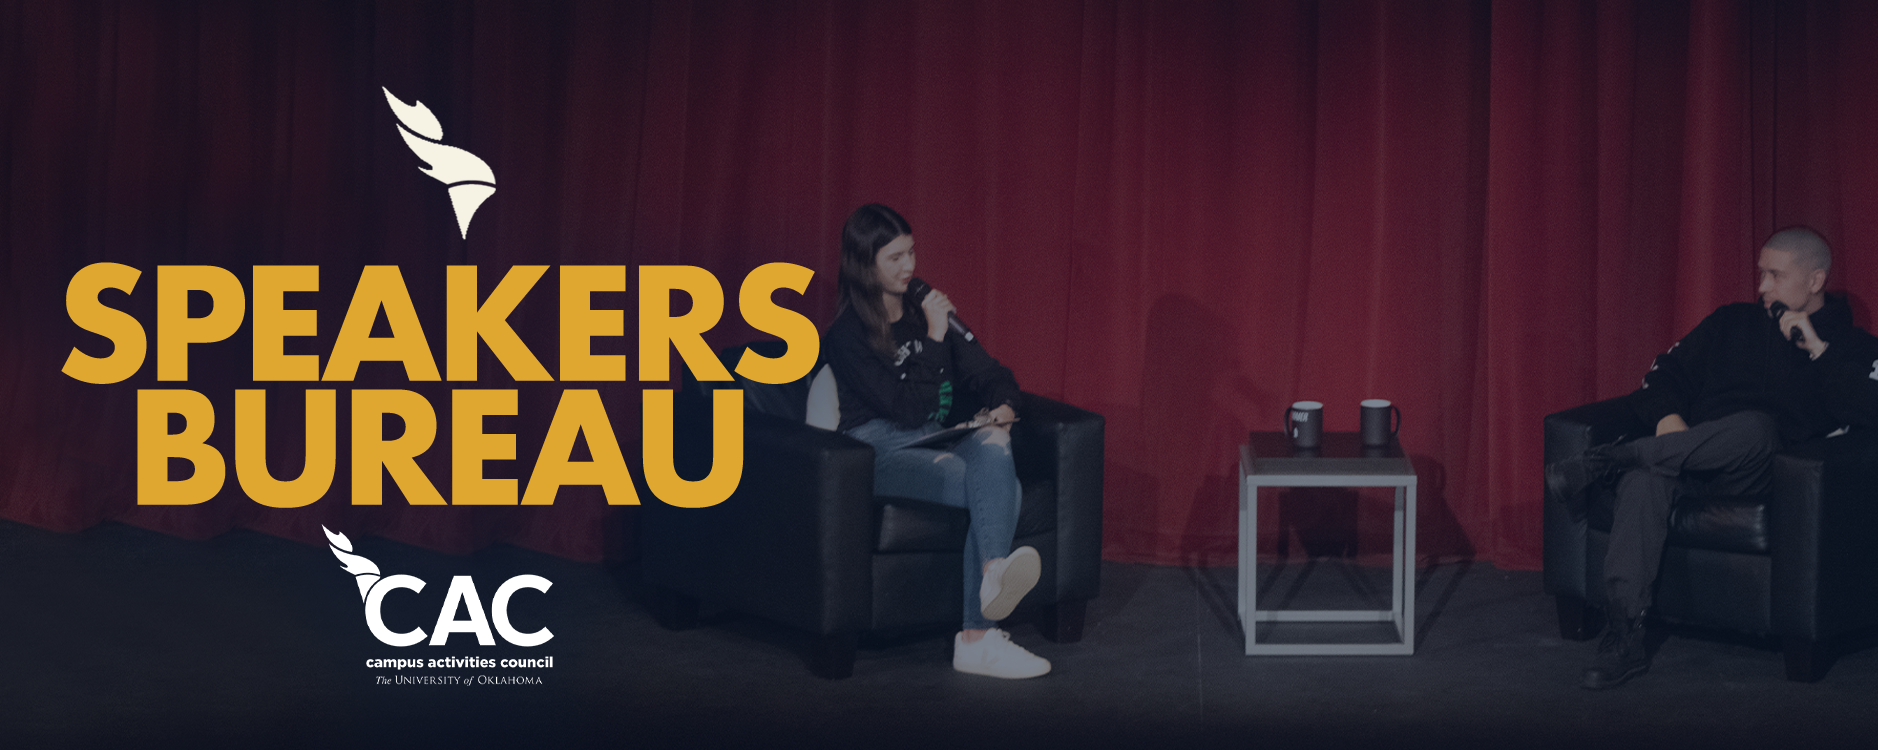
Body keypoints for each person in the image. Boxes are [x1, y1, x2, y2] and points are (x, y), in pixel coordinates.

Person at [1547, 227, 1878, 690]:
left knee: (1755, 426)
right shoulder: (1730, 323)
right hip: (1692, 453)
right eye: (1760, 274)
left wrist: (1817, 350)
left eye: (1775, 276)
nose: (1762, 286)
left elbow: (1869, 410)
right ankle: (1624, 635)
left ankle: (1607, 459)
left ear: (1815, 280)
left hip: (1766, 471)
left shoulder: (1854, 348)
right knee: (1644, 480)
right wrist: (1668, 422)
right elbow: (1664, 373)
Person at [824, 203, 1050, 680]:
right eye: (895, 258)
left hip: (935, 436)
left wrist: (1004, 407)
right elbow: (903, 410)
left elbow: (991, 372)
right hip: (879, 451)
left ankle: (990, 583)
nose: (910, 266)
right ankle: (977, 636)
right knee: (996, 486)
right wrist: (932, 336)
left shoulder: (926, 307)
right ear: (865, 264)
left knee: (993, 443)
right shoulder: (848, 335)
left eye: (911, 252)